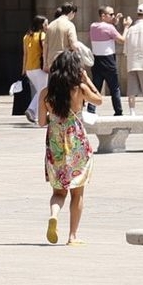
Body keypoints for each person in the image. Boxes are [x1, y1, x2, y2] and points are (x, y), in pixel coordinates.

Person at [38, 50, 102, 246]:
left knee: (58, 192)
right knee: (77, 192)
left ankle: (54, 215)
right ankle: (72, 236)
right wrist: (87, 79)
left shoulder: (46, 93)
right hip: (76, 143)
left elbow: (41, 122)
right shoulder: (80, 89)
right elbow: (99, 100)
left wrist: (53, 116)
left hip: (55, 143)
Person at [88, 5, 130, 116]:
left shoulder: (93, 26)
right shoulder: (109, 28)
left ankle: (91, 110)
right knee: (114, 88)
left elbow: (106, 29)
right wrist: (126, 27)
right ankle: (118, 111)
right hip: (108, 60)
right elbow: (122, 40)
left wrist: (114, 21)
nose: (113, 16)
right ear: (103, 16)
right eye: (111, 14)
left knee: (95, 87)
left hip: (97, 60)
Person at [22, 16, 48, 123]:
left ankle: (35, 114)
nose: (47, 26)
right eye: (46, 24)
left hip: (29, 68)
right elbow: (45, 51)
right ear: (41, 25)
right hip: (39, 67)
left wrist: (23, 69)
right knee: (43, 91)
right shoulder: (42, 35)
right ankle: (32, 110)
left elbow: (25, 54)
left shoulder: (26, 36)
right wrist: (46, 64)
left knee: (40, 91)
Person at [43, 2, 78, 72]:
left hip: (52, 61)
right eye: (74, 14)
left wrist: (45, 63)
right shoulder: (70, 25)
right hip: (65, 61)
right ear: (71, 12)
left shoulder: (50, 25)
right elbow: (74, 45)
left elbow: (45, 46)